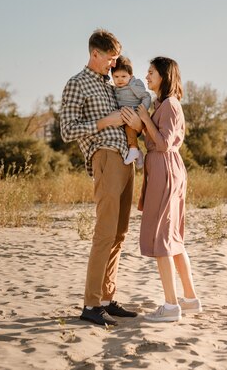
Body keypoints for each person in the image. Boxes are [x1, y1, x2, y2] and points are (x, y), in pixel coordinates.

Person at [60, 29, 142, 326]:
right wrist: (104, 122)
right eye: (110, 58)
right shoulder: (76, 83)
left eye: (116, 59)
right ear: (95, 54)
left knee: (119, 235)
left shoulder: (112, 85)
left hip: (125, 159)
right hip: (105, 157)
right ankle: (91, 305)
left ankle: (107, 298)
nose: (113, 64)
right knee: (105, 233)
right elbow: (66, 130)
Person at [133, 56, 202, 322]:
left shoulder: (171, 105)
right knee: (172, 238)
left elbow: (162, 143)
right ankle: (190, 299)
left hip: (165, 168)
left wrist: (144, 119)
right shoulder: (161, 104)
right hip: (162, 169)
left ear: (164, 75)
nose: (147, 76)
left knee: (163, 238)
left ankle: (171, 306)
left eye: (151, 72)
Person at [111, 56, 152, 168]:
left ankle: (134, 149)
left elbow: (146, 96)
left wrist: (141, 112)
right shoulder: (114, 88)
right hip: (124, 118)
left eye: (124, 76)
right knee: (124, 133)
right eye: (116, 76)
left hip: (134, 115)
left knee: (129, 126)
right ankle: (137, 152)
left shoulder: (134, 85)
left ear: (131, 76)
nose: (120, 79)